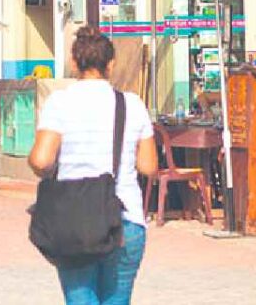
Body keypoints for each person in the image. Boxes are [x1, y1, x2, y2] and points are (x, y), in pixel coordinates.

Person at [28, 27, 158, 305]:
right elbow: (148, 166)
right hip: (126, 220)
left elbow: (41, 160)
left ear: (74, 63)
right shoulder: (132, 105)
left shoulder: (59, 103)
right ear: (111, 64)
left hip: (74, 220)